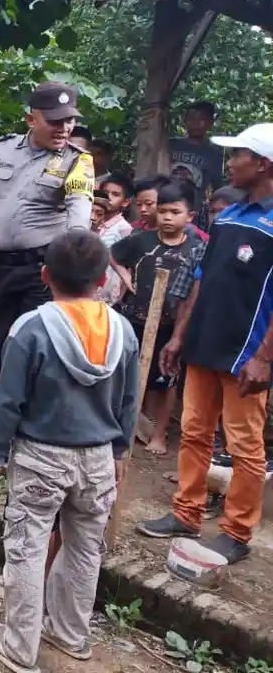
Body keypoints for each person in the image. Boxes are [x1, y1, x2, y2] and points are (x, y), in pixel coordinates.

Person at [0, 230, 139, 673]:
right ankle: (71, 634)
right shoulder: (122, 330)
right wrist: (120, 450)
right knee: (86, 548)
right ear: (104, 279)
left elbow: (7, 400)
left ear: (44, 275)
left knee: (27, 549)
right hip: (99, 458)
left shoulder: (31, 327)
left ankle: (18, 644)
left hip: (40, 458)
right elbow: (128, 400)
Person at [142, 123, 273, 564]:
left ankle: (236, 532)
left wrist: (264, 357)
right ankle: (187, 512)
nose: (230, 162)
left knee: (243, 446)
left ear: (263, 163)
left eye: (238, 155)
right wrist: (180, 336)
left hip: (245, 357)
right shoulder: (231, 216)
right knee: (195, 432)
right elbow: (201, 280)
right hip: (204, 346)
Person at [0, 82, 95, 453]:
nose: (64, 129)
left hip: (42, 271)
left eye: (70, 121)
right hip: (1, 266)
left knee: (32, 350)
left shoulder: (78, 162)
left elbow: (78, 214)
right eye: (55, 122)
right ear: (31, 118)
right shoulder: (0, 152)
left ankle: (25, 437)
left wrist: (75, 262)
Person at [108, 184, 203, 456]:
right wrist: (126, 278)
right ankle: (120, 429)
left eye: (175, 212)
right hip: (134, 318)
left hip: (171, 326)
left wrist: (180, 333)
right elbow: (113, 255)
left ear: (190, 216)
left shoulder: (196, 248)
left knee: (167, 380)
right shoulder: (141, 240)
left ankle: (159, 433)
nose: (167, 218)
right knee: (124, 373)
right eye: (162, 212)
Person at [169, 101, 225, 232]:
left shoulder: (213, 152)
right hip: (167, 201)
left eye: (202, 119)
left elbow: (217, 183)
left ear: (210, 123)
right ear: (184, 120)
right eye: (191, 118)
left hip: (194, 209)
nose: (195, 123)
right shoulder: (171, 144)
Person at [94, 173, 134, 304]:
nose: (109, 197)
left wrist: (119, 299)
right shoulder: (89, 221)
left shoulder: (124, 229)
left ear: (126, 202)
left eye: (115, 194)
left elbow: (128, 267)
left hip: (107, 297)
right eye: (105, 192)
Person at [132, 176, 209, 241]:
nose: (143, 209)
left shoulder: (191, 233)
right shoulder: (135, 229)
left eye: (149, 203)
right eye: (138, 204)